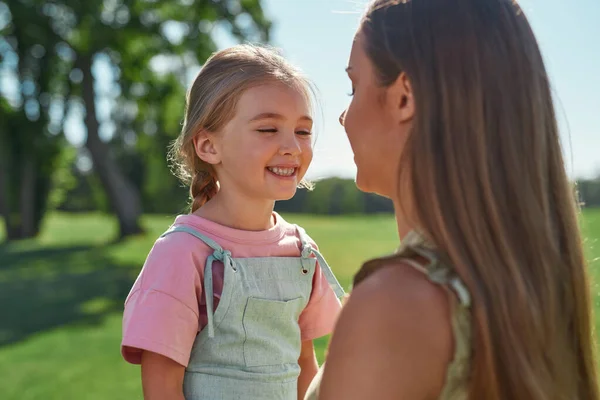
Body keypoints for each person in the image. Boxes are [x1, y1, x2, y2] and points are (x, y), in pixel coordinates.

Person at [305, 0, 599, 399]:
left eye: (354, 86)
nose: (343, 116)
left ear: (405, 95)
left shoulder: (394, 306)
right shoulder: (531, 284)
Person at [120, 44, 344, 400]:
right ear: (209, 146)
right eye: (268, 129)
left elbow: (305, 368)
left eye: (302, 131)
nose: (292, 146)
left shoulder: (302, 253)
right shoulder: (182, 253)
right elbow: (162, 388)